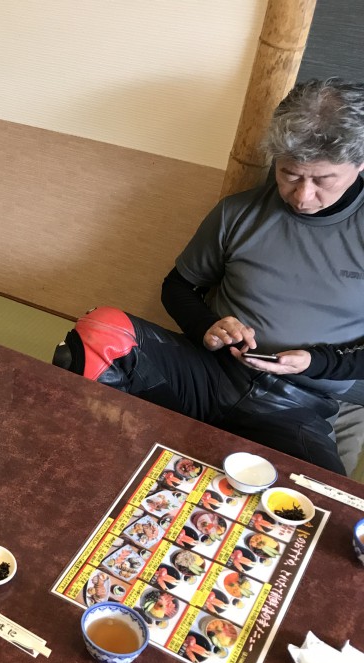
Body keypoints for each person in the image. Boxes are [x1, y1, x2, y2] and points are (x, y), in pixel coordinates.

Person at [52, 78, 364, 475]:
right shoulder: (239, 212)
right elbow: (178, 287)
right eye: (289, 173)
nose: (302, 196)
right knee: (102, 330)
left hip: (296, 402)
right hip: (209, 370)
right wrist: (207, 327)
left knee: (320, 500)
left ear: (359, 163)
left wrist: (315, 361)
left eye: (322, 180)